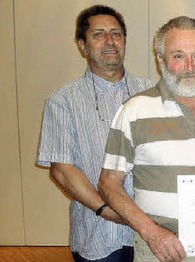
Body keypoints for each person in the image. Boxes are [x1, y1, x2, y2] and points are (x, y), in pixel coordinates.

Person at [97, 16, 195, 262]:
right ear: (161, 60)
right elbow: (109, 184)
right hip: (161, 248)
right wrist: (152, 233)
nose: (190, 66)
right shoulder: (134, 110)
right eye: (178, 56)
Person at [36, 5, 153, 261]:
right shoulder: (63, 100)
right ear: (82, 45)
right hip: (98, 232)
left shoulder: (151, 93)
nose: (110, 41)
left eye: (116, 33)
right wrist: (106, 210)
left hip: (152, 231)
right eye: (99, 34)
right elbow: (62, 169)